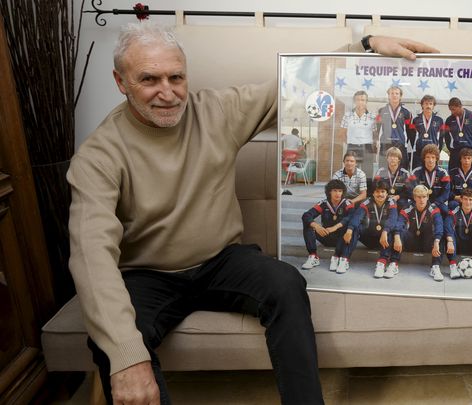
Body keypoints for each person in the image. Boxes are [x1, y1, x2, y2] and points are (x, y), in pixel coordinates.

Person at [66, 20, 437, 404]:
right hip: (147, 276)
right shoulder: (99, 155)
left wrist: (366, 45)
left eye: (176, 77)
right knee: (114, 347)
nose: (167, 92)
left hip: (220, 260)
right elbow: (91, 255)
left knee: (286, 284)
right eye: (149, 79)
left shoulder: (216, 111)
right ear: (120, 81)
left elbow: (297, 89)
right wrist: (127, 358)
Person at [338, 179, 400, 277]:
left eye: (383, 191)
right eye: (377, 191)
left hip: (384, 239)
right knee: (354, 227)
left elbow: (393, 219)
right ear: (373, 193)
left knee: (391, 231)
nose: (380, 194)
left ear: (387, 193)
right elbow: (357, 216)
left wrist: (385, 231)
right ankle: (344, 258)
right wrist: (349, 229)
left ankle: (381, 263)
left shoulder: (391, 202)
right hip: (370, 236)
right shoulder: (367, 202)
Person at [300, 180, 355, 271]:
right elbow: (307, 215)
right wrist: (317, 226)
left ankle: (341, 258)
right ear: (329, 191)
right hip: (325, 235)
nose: (337, 194)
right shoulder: (324, 203)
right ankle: (313, 256)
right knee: (308, 224)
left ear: (343, 192)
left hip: (341, 239)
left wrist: (335, 227)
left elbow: (350, 217)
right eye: (335, 190)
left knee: (349, 225)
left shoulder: (347, 204)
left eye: (340, 191)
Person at [396, 185, 446, 281]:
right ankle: (394, 263)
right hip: (411, 241)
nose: (421, 200)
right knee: (398, 232)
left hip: (427, 243)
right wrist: (397, 236)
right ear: (414, 197)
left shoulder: (433, 208)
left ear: (427, 197)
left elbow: (439, 225)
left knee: (439, 236)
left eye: (424, 197)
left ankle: (435, 267)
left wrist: (436, 242)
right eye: (419, 197)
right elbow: (399, 223)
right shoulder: (408, 207)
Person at [339, 90, 376, 179]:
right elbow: (342, 133)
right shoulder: (347, 115)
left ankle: (367, 192)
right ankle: (351, 191)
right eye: (358, 100)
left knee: (368, 172)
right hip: (352, 147)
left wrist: (374, 146)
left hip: (367, 147)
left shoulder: (372, 116)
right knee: (351, 172)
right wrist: (350, 143)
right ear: (354, 101)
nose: (360, 102)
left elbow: (375, 134)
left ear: (366, 102)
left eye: (363, 100)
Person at [375, 86, 413, 170]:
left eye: (397, 93)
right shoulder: (381, 111)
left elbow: (409, 131)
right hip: (385, 144)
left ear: (400, 96)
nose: (394, 95)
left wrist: (403, 142)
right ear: (388, 95)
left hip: (400, 145)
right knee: (384, 169)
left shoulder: (406, 112)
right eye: (392, 93)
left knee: (402, 170)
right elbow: (377, 128)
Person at [441, 97, 472, 172]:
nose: (452, 112)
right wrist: (451, 149)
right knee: (453, 174)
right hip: (455, 151)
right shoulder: (449, 120)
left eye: (453, 109)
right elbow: (447, 137)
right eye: (450, 110)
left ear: (460, 106)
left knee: (469, 175)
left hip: (469, 151)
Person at [409, 144, 451, 215]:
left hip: (437, 202)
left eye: (433, 157)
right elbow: (411, 190)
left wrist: (435, 204)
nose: (430, 160)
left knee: (445, 211)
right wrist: (421, 202)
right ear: (424, 158)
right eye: (428, 157)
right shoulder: (416, 172)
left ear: (436, 159)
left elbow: (445, 193)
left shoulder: (443, 173)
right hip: (420, 202)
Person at [407, 94, 443, 170]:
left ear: (433, 106)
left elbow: (441, 137)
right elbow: (412, 136)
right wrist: (417, 146)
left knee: (431, 175)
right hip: (418, 153)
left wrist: (437, 152)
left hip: (432, 154)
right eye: (426, 103)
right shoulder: (416, 120)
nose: (428, 106)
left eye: (430, 104)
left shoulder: (439, 120)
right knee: (417, 174)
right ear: (422, 105)